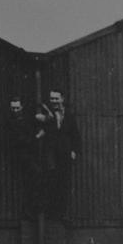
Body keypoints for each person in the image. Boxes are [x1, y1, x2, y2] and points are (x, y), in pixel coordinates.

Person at [38, 88, 81, 221]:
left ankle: (62, 214)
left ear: (62, 99)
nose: (54, 101)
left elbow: (75, 135)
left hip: (65, 154)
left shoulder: (69, 115)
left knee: (64, 183)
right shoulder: (47, 114)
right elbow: (42, 130)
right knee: (51, 181)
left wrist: (74, 151)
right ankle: (50, 213)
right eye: (52, 99)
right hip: (51, 154)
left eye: (56, 99)